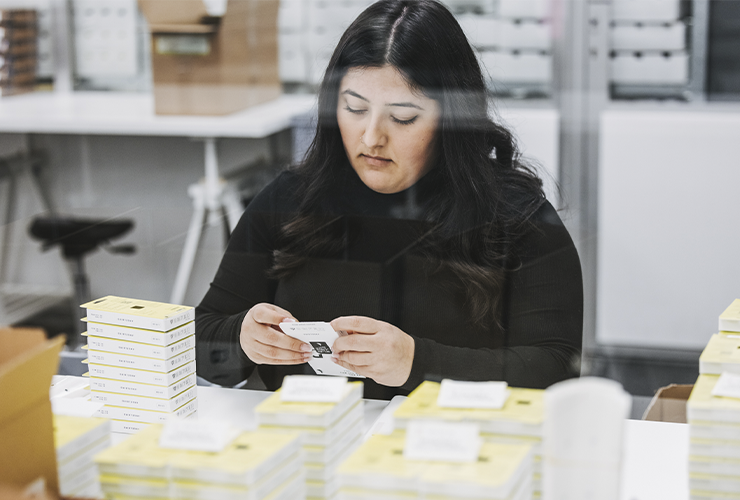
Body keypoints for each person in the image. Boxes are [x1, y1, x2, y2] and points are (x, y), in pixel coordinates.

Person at [195, 0, 583, 400]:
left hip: (453, 447)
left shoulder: (517, 217)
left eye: (402, 117)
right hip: (308, 443)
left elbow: (555, 369)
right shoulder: (292, 199)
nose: (371, 138)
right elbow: (201, 341)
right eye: (355, 109)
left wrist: (417, 362)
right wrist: (240, 338)